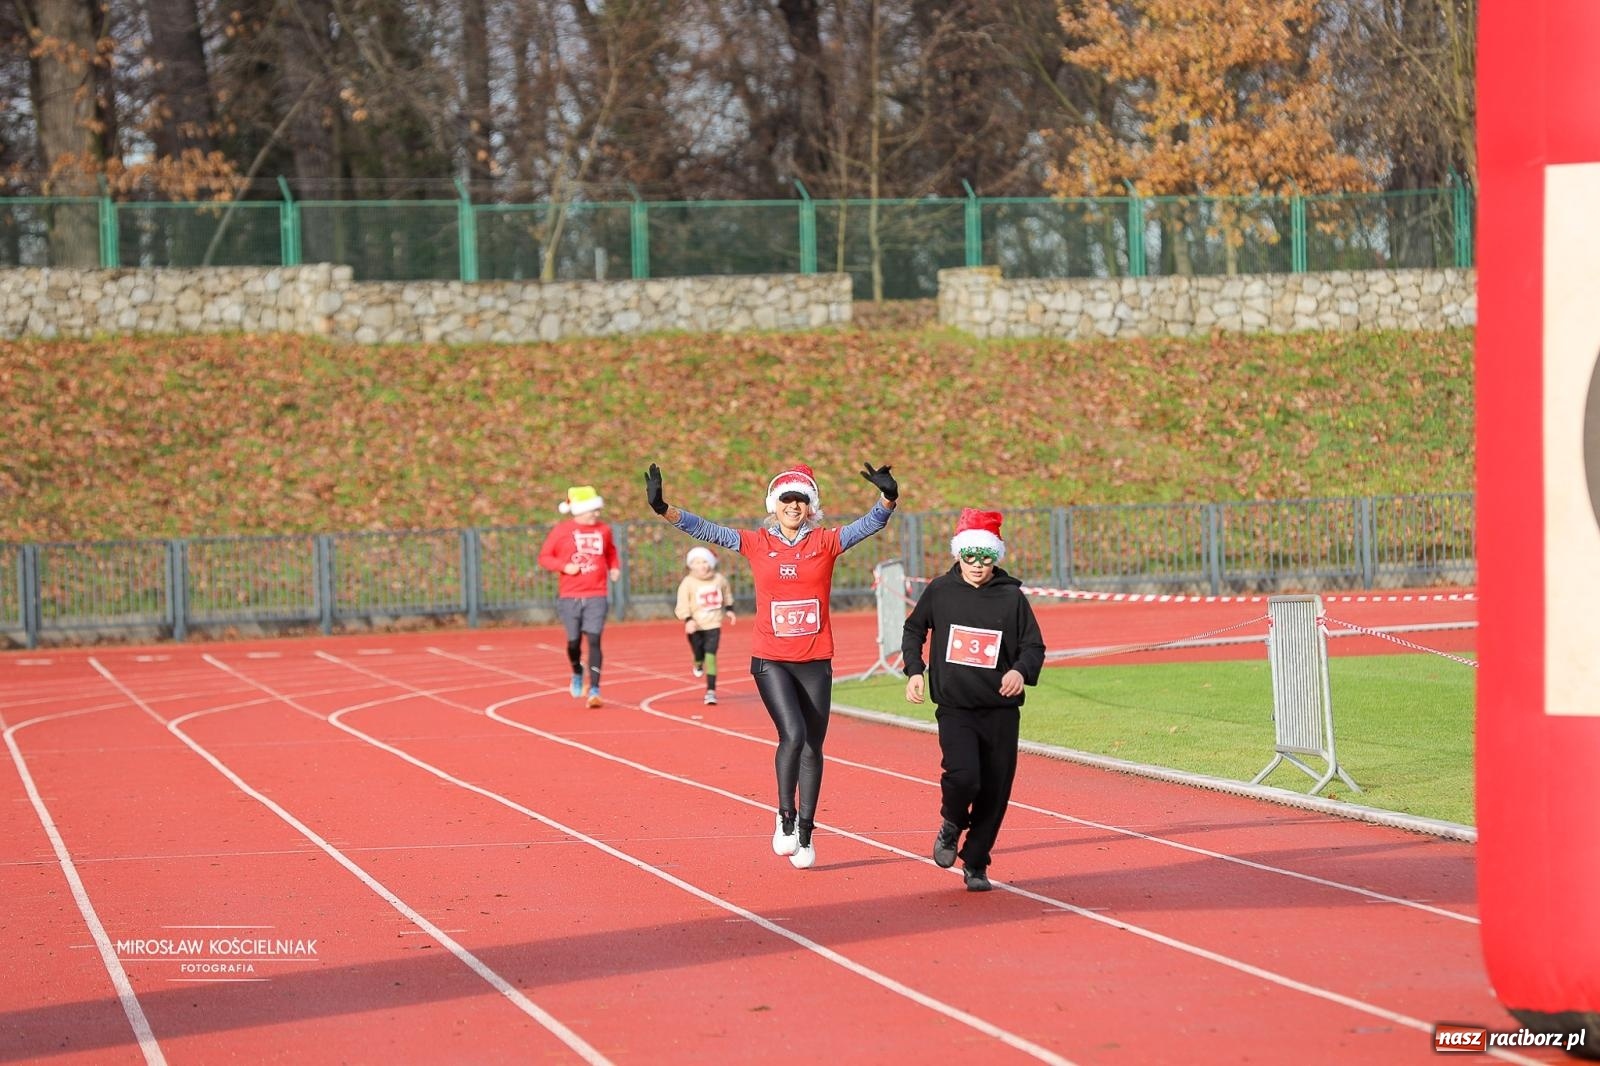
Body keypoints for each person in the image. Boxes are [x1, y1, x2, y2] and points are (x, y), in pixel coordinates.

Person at [645, 460, 898, 869]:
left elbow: (870, 524)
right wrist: (664, 508)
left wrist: (888, 497)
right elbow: (707, 530)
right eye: (786, 500)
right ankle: (785, 817)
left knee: (814, 747)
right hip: (771, 659)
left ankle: (807, 832)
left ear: (811, 507)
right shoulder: (757, 542)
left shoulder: (828, 542)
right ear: (774, 505)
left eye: (800, 500)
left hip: (816, 659)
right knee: (793, 734)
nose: (793, 507)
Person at [901, 508, 1045, 892]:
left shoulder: (1011, 597)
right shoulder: (941, 591)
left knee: (995, 790)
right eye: (970, 556)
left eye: (985, 557)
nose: (977, 565)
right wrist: (914, 670)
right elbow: (914, 628)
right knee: (964, 776)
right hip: (956, 707)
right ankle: (951, 823)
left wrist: (1020, 672)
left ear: (995, 557)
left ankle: (976, 862)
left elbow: (1033, 645)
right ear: (958, 554)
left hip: (1000, 710)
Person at [537, 485, 622, 708]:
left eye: (597, 510)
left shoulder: (604, 530)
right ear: (578, 511)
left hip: (597, 594)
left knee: (594, 639)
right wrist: (564, 566)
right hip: (570, 595)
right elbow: (544, 557)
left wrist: (614, 568)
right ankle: (577, 670)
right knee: (573, 642)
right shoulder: (561, 531)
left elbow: (611, 552)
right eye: (591, 511)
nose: (596, 514)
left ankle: (594, 689)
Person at [675, 545, 736, 705]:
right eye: (697, 562)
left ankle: (711, 691)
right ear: (690, 565)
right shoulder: (688, 583)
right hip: (695, 626)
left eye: (705, 562)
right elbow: (682, 603)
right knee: (698, 653)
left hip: (713, 624)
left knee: (711, 656)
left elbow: (727, 594)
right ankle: (697, 661)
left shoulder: (719, 579)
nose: (702, 566)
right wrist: (688, 619)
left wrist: (729, 609)